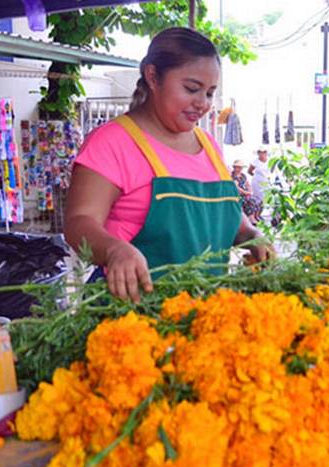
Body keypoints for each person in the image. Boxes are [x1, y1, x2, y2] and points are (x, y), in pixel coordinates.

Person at [65, 27, 270, 303]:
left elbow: (223, 216)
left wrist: (250, 234)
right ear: (152, 76)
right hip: (130, 319)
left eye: (209, 93)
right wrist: (114, 250)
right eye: (191, 89)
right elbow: (79, 224)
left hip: (200, 318)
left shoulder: (209, 145)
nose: (203, 103)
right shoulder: (112, 142)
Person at [231, 158, 262, 224]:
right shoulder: (232, 176)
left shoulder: (243, 175)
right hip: (237, 194)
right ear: (234, 167)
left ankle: (256, 216)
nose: (239, 169)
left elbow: (248, 184)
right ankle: (251, 218)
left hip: (245, 193)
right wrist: (246, 192)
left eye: (240, 167)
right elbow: (236, 188)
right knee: (248, 201)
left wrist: (249, 191)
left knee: (257, 200)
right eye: (238, 167)